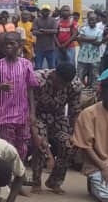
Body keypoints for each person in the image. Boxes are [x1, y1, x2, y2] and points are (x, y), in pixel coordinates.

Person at [0, 32, 39, 161]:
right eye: (6, 44)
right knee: (7, 147)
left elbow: (30, 88)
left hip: (22, 113)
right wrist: (0, 87)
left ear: (20, 45)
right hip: (4, 113)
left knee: (22, 147)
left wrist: (32, 113)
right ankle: (7, 175)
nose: (8, 46)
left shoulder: (26, 64)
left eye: (12, 43)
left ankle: (18, 174)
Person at [31, 63, 82, 194]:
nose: (61, 87)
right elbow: (30, 107)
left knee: (68, 145)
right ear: (54, 75)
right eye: (60, 82)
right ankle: (36, 181)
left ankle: (55, 181)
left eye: (65, 84)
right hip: (37, 115)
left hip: (57, 116)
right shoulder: (37, 79)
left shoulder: (74, 86)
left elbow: (74, 112)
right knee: (41, 143)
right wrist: (49, 154)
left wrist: (73, 134)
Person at [76, 11, 104, 87]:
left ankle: (92, 94)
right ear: (88, 20)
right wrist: (93, 39)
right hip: (82, 58)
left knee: (94, 78)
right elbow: (80, 38)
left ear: (96, 20)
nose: (92, 21)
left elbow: (98, 43)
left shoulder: (100, 31)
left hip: (94, 59)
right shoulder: (83, 28)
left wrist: (86, 39)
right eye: (90, 19)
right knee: (79, 78)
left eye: (94, 19)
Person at [31, 5, 59, 70]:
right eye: (44, 10)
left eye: (47, 11)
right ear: (41, 11)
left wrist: (43, 30)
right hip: (39, 48)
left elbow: (55, 31)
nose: (45, 12)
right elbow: (34, 32)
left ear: (49, 12)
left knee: (52, 67)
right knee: (38, 67)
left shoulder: (53, 20)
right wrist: (49, 31)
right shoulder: (36, 20)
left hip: (50, 48)